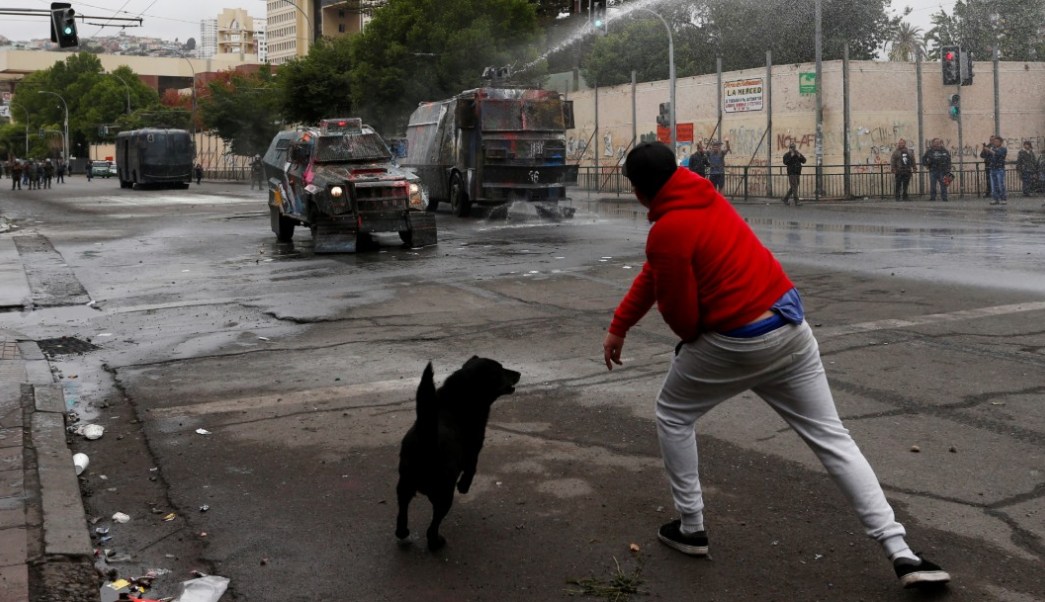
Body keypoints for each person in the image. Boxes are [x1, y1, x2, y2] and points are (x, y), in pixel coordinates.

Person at [601, 141, 951, 590]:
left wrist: (689, 345)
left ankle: (691, 528)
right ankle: (902, 552)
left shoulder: (667, 230)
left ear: (638, 190)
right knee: (833, 439)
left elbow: (681, 315)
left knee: (673, 413)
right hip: (789, 327)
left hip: (737, 341)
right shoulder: (704, 195)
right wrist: (621, 323)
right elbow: (658, 270)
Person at [982, 136, 1007, 205]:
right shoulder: (992, 148)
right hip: (992, 168)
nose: (995, 143)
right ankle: (995, 198)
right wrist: (984, 149)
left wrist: (990, 150)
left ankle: (1003, 198)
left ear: (1000, 142)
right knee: (993, 185)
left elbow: (998, 154)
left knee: (1000, 184)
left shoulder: (1003, 149)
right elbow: (984, 156)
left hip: (999, 168)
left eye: (996, 141)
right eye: (994, 141)